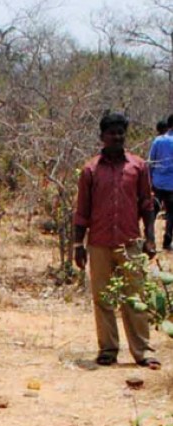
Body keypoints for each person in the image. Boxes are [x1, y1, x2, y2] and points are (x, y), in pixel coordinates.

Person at [73, 112, 159, 370]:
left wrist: (151, 239)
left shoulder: (138, 167)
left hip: (130, 242)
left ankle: (142, 351)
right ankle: (108, 350)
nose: (117, 137)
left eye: (121, 132)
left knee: (135, 298)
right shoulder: (90, 170)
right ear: (102, 137)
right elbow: (82, 211)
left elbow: (147, 204)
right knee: (102, 298)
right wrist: (78, 245)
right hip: (99, 243)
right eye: (112, 133)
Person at [149, 114, 173, 249]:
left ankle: (149, 239)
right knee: (171, 214)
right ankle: (167, 240)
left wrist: (149, 180)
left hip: (157, 183)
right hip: (172, 185)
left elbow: (151, 162)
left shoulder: (158, 141)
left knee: (153, 212)